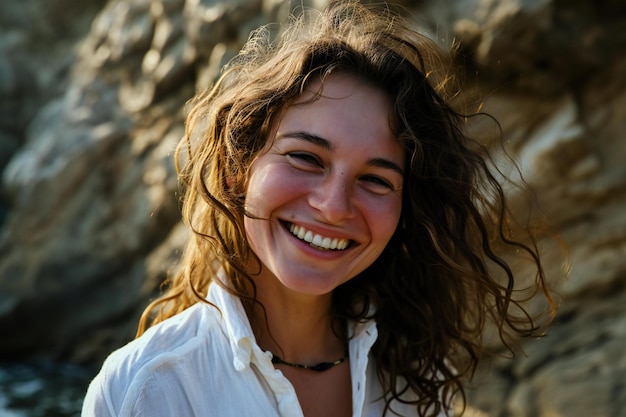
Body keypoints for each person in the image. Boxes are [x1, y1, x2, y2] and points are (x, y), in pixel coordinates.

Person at [82, 1, 556, 416]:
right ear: (238, 170)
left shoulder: (415, 381)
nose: (332, 206)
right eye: (305, 158)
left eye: (375, 179)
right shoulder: (147, 389)